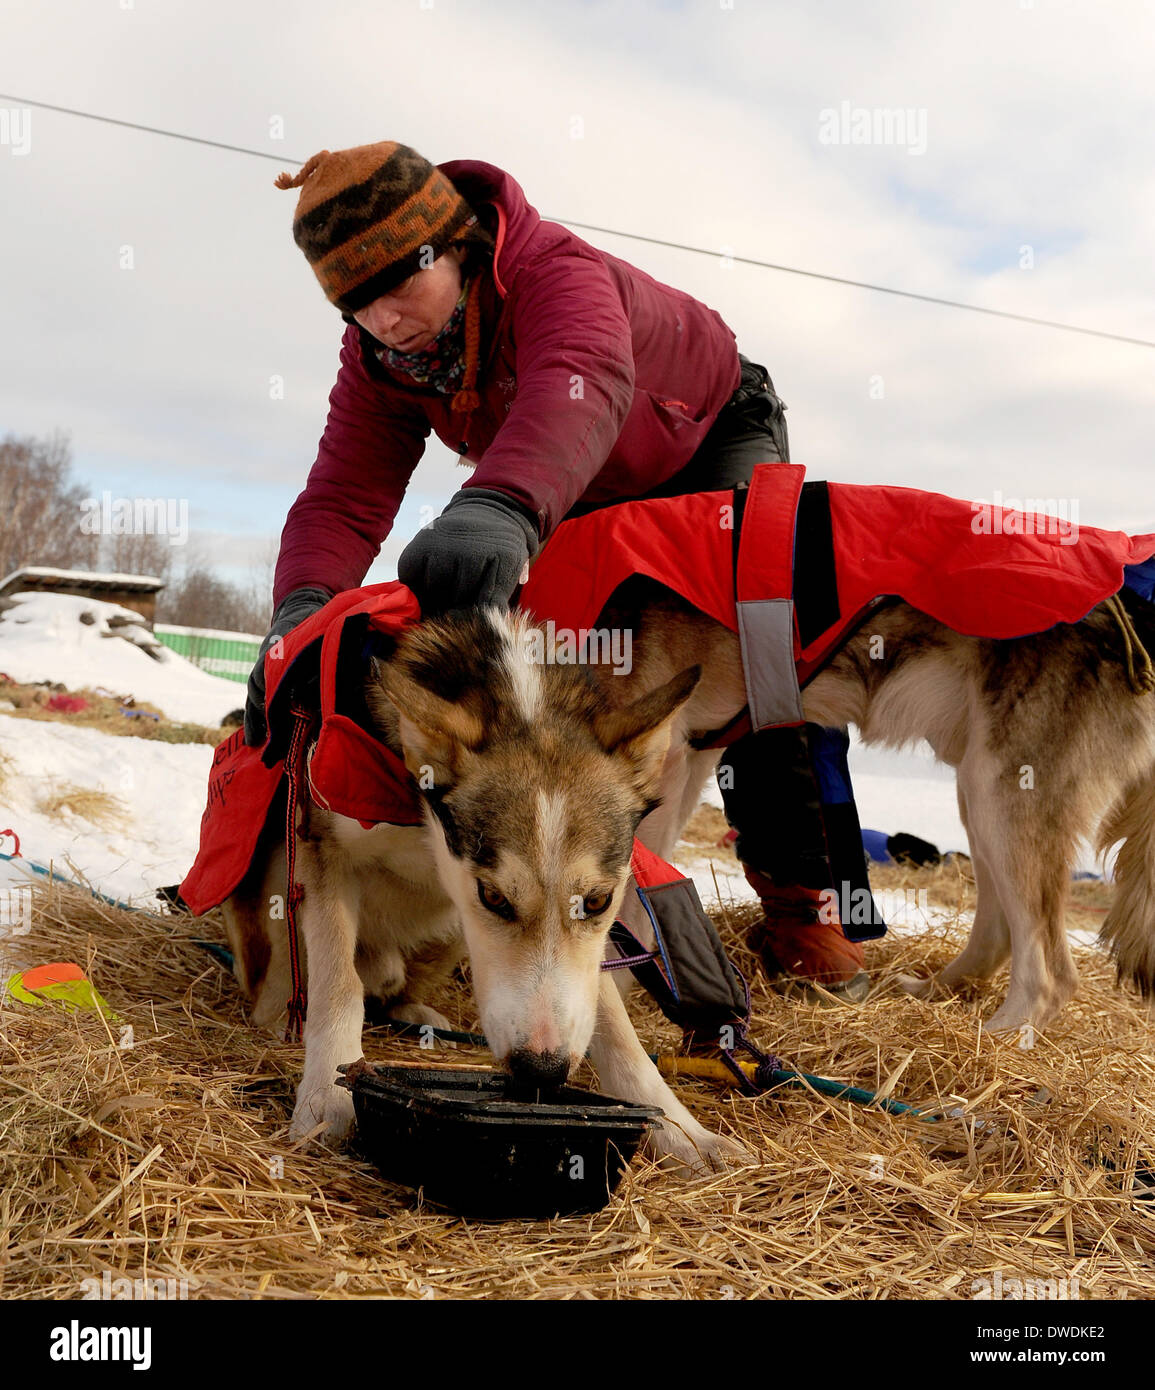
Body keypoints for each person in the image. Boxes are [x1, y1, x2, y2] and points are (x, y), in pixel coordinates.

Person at [245, 139, 874, 1000]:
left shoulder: (551, 272)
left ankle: (807, 906)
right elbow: (344, 493)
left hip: (702, 436)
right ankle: (579, 900)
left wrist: (498, 503)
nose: (382, 318)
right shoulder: (385, 364)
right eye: (354, 304)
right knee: (577, 682)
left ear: (453, 247)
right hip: (569, 481)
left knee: (759, 655)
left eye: (398, 285)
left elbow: (578, 379)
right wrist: (302, 610)